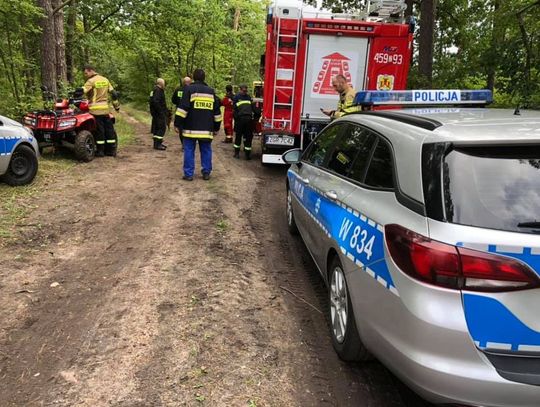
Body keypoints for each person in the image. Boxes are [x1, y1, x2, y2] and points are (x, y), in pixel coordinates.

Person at [174, 68, 221, 181]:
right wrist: (216, 127)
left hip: (190, 129)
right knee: (206, 150)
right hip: (206, 129)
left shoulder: (189, 90)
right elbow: (217, 112)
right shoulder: (211, 92)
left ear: (194, 78)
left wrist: (177, 124)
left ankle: (188, 174)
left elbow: (182, 109)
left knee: (189, 150)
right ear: (204, 78)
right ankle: (206, 173)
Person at [82, 65, 120, 157]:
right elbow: (114, 94)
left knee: (99, 131)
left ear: (91, 71)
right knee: (109, 129)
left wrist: (75, 93)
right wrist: (116, 107)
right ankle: (111, 150)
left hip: (95, 110)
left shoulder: (91, 81)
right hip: (105, 110)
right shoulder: (105, 80)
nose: (85, 75)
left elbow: (82, 91)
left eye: (86, 73)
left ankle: (100, 151)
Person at [232, 84, 254, 160]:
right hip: (241, 119)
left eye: (245, 90)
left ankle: (247, 154)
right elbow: (234, 109)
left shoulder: (248, 97)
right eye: (244, 90)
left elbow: (251, 108)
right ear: (240, 89)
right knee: (239, 136)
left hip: (247, 120)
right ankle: (237, 153)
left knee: (247, 137)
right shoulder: (237, 97)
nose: (245, 92)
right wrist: (236, 118)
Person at [171, 76, 192, 148]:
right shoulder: (191, 90)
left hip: (179, 111)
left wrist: (178, 103)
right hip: (189, 112)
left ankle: (183, 144)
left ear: (183, 82)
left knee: (181, 128)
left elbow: (173, 100)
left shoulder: (178, 90)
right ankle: (189, 144)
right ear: (190, 82)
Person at [149, 78, 168, 150]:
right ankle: (158, 144)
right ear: (161, 83)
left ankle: (157, 144)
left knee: (157, 128)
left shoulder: (154, 90)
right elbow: (155, 102)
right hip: (159, 113)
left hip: (155, 113)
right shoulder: (158, 91)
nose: (164, 84)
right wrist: (161, 111)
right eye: (164, 83)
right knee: (161, 128)